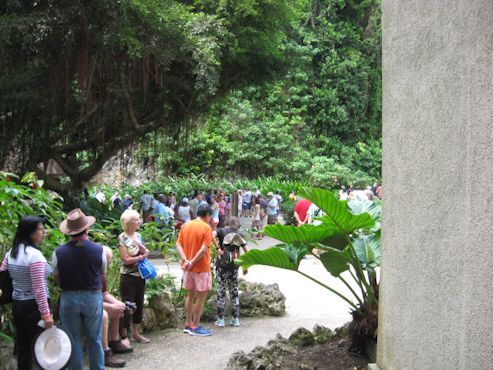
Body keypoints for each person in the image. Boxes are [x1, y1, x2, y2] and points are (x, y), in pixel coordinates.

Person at [53, 209, 107, 370]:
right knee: (94, 339)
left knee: (73, 339)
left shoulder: (59, 252)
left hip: (69, 297)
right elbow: (102, 274)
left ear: (69, 231)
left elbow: (57, 277)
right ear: (87, 228)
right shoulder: (99, 250)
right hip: (92, 297)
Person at [0, 216, 53, 370]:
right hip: (34, 308)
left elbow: (2, 273)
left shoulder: (11, 253)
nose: (44, 233)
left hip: (18, 306)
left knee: (23, 347)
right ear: (30, 233)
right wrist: (46, 314)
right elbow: (39, 288)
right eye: (41, 230)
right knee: (42, 348)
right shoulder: (34, 256)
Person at [176, 204, 214, 336]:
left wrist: (186, 259)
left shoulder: (186, 225)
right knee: (201, 297)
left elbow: (178, 244)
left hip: (187, 267)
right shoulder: (206, 227)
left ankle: (187, 324)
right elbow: (204, 249)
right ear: (207, 215)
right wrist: (192, 261)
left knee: (190, 295)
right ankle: (195, 325)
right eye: (210, 216)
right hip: (201, 267)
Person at [117, 209, 150, 344]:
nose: (138, 222)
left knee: (139, 303)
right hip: (128, 276)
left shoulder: (138, 236)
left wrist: (144, 251)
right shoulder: (122, 238)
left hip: (140, 275)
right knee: (128, 305)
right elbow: (125, 259)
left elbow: (146, 251)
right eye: (136, 220)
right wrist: (141, 257)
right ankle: (124, 335)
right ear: (128, 223)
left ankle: (136, 333)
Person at [214, 217, 249, 327]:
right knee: (234, 291)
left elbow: (211, 234)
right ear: (237, 225)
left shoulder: (221, 231)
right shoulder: (240, 235)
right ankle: (235, 318)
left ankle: (220, 319)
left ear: (227, 223)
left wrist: (217, 248)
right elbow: (247, 251)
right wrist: (245, 266)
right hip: (234, 266)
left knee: (221, 291)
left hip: (222, 266)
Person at [101, 247, 132, 368]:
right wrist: (112, 306)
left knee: (119, 309)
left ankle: (115, 342)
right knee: (106, 314)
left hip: (95, 303)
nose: (108, 266)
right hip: (88, 306)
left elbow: (104, 294)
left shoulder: (101, 274)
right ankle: (105, 352)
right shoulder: (92, 273)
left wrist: (118, 304)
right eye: (107, 263)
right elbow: (91, 300)